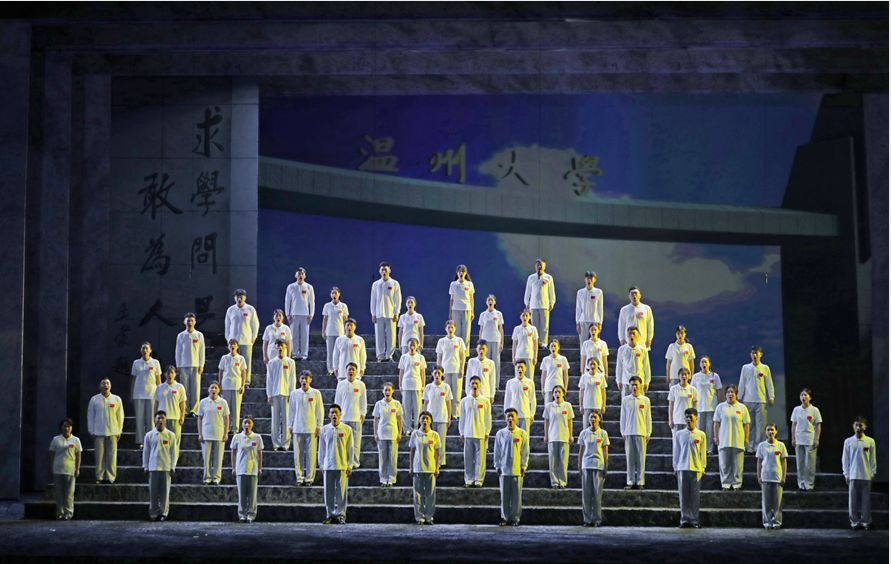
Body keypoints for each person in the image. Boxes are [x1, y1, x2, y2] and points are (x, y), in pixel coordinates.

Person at [319, 404, 354, 524]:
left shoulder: (347, 429)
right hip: (328, 465)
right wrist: (321, 465)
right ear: (329, 415)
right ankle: (329, 514)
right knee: (328, 492)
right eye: (332, 413)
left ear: (340, 414)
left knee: (342, 492)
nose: (334, 415)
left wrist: (350, 464)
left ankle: (341, 514)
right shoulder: (324, 430)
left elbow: (350, 448)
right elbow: (321, 449)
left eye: (336, 413)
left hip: (342, 465)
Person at [494, 408, 529, 526]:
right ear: (505, 418)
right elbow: (497, 451)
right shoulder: (500, 434)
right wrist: (497, 465)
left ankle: (515, 518)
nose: (510, 418)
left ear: (516, 418)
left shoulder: (522, 433)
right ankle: (505, 517)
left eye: (512, 416)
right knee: (504, 495)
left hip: (517, 470)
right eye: (508, 416)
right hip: (504, 470)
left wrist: (524, 465)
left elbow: (525, 452)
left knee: (516, 496)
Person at [289, 370, 324, 486]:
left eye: (306, 378)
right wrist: (290, 425)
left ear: (310, 380)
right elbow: (291, 411)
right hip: (297, 428)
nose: (304, 380)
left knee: (311, 455)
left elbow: (320, 411)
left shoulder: (316, 393)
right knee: (297, 455)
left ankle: (309, 478)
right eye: (302, 378)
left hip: (311, 428)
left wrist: (319, 425)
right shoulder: (294, 394)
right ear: (299, 380)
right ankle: (299, 477)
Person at [673, 408, 707, 528]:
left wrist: (703, 467)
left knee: (695, 496)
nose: (688, 419)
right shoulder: (679, 434)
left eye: (691, 417)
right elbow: (676, 452)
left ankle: (694, 520)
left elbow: (703, 453)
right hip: (682, 468)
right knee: (683, 496)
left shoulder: (701, 434)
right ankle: (684, 519)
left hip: (696, 468)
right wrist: (675, 466)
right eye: (687, 417)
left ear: (696, 418)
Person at [842, 416, 877, 530]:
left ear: (865, 427)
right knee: (852, 501)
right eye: (856, 425)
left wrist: (873, 472)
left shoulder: (870, 441)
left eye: (860, 425)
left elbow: (873, 459)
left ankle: (865, 521)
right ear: (853, 426)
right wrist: (846, 474)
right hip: (853, 475)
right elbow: (845, 459)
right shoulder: (848, 441)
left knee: (866, 500)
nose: (858, 428)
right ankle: (854, 522)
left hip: (866, 475)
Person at [713, 385, 750, 490]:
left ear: (736, 394)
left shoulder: (742, 407)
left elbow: (746, 424)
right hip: (724, 440)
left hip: (738, 440)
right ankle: (726, 484)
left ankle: (737, 484)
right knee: (724, 464)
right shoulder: (720, 407)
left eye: (732, 392)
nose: (730, 394)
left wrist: (746, 438)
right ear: (725, 394)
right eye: (728, 392)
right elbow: (716, 423)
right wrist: (716, 437)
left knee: (738, 464)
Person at [738, 345, 774, 453]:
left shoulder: (765, 368)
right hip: (748, 400)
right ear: (750, 355)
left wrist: (771, 397)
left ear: (760, 354)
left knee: (761, 426)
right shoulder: (745, 368)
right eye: (753, 353)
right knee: (750, 425)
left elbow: (769, 383)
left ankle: (759, 447)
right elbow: (742, 382)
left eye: (756, 353)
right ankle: (750, 446)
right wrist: (739, 396)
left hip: (761, 401)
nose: (754, 355)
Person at [87, 378, 124, 484]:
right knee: (99, 456)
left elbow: (120, 416)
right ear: (99, 386)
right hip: (98, 432)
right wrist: (91, 430)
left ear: (110, 386)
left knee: (112, 456)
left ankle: (110, 477)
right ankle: (99, 477)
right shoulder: (94, 400)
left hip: (113, 432)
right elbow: (90, 415)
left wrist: (119, 430)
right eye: (103, 383)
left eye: (107, 383)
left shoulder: (116, 399)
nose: (105, 385)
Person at [143, 411, 177, 521]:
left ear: (166, 420)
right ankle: (153, 513)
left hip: (166, 467)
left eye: (163, 418)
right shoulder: (149, 435)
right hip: (153, 467)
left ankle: (163, 513)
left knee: (165, 493)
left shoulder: (171, 435)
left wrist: (173, 466)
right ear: (154, 420)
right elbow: (146, 452)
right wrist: (145, 466)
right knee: (153, 493)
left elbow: (174, 453)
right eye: (158, 418)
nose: (160, 420)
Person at [459, 377, 492, 488]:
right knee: (468, 458)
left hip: (481, 433)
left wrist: (487, 431)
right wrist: (461, 432)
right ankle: (468, 479)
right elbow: (462, 418)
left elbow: (488, 418)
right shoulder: (464, 401)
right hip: (468, 433)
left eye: (477, 383)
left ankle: (478, 479)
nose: (475, 385)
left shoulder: (485, 401)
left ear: (480, 385)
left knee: (480, 459)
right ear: (469, 385)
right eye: (473, 383)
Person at [577, 410, 609, 527]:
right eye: (591, 417)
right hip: (586, 465)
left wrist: (605, 466)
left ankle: (596, 519)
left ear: (599, 419)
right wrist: (579, 465)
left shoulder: (603, 433)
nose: (593, 419)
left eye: (595, 417)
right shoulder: (584, 433)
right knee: (586, 495)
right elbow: (581, 451)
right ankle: (587, 519)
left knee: (597, 495)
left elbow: (605, 453)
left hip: (598, 465)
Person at [409, 411, 441, 525]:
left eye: (427, 418)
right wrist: (411, 467)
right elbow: (412, 451)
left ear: (431, 421)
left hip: (430, 468)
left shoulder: (435, 435)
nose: (425, 421)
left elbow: (437, 453)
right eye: (423, 418)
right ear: (419, 420)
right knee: (418, 494)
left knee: (430, 494)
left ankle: (429, 516)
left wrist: (437, 467)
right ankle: (419, 516)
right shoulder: (415, 434)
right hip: (418, 467)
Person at [619, 376, 651, 489]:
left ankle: (640, 481)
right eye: (632, 385)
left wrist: (648, 433)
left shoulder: (645, 400)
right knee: (630, 458)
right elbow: (622, 417)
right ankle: (630, 481)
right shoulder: (625, 400)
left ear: (640, 386)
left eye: (636, 385)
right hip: (628, 432)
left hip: (641, 432)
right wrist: (623, 431)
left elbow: (648, 418)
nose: (634, 387)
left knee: (641, 458)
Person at [230, 415, 263, 523]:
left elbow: (259, 454)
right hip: (240, 469)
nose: (246, 425)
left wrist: (260, 468)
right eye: (245, 422)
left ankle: (251, 514)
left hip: (252, 469)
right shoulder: (237, 437)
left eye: (249, 422)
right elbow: (233, 453)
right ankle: (242, 514)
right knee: (242, 494)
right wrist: (233, 467)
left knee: (252, 494)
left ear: (252, 424)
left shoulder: (257, 437)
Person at [334, 363, 367, 468]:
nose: (351, 371)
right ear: (346, 371)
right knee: (343, 442)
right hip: (343, 418)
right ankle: (343, 462)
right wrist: (337, 415)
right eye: (349, 369)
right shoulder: (340, 384)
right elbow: (337, 401)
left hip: (356, 418)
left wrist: (363, 413)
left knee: (356, 443)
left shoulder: (361, 385)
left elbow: (363, 401)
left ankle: (355, 463)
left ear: (356, 372)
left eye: (353, 370)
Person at [196, 381, 230, 485]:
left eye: (216, 388)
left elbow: (226, 418)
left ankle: (216, 477)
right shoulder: (203, 402)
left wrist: (226, 433)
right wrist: (200, 433)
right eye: (212, 387)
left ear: (219, 390)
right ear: (208, 390)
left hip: (219, 433)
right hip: (206, 433)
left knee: (218, 458)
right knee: (206, 458)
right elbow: (199, 418)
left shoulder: (223, 402)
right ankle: (207, 477)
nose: (213, 390)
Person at [756, 423, 788, 529]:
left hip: (777, 477)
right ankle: (767, 522)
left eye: (772, 430)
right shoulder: (761, 446)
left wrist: (784, 477)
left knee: (777, 502)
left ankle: (777, 522)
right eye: (768, 430)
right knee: (766, 502)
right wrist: (758, 476)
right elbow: (759, 462)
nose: (771, 432)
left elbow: (784, 462)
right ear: (766, 432)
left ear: (776, 431)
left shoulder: (781, 445)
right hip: (765, 476)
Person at [48, 418, 81, 520]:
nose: (66, 428)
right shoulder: (56, 439)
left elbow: (78, 455)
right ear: (61, 427)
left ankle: (68, 513)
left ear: (71, 428)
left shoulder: (76, 440)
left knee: (69, 493)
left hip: (70, 470)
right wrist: (51, 466)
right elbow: (52, 454)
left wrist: (77, 468)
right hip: (58, 469)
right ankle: (60, 513)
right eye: (64, 426)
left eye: (69, 426)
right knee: (59, 493)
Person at [266, 340, 296, 451]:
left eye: (282, 346)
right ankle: (276, 443)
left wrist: (292, 395)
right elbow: (269, 380)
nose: (280, 348)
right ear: (275, 348)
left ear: (286, 347)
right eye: (278, 346)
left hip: (287, 394)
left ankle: (285, 444)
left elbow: (292, 379)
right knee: (275, 420)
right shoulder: (271, 362)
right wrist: (269, 394)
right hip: (274, 394)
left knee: (287, 419)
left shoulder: (290, 362)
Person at [790, 388, 822, 491]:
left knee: (810, 464)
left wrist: (816, 439)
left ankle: (809, 484)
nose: (803, 397)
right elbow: (794, 425)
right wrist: (793, 438)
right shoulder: (796, 409)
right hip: (799, 439)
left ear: (810, 397)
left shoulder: (815, 410)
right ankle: (801, 483)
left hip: (810, 439)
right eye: (801, 395)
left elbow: (818, 426)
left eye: (805, 395)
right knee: (800, 463)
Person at [543, 385, 574, 489]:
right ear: (552, 394)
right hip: (552, 436)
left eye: (559, 392)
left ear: (563, 393)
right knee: (553, 461)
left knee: (563, 461)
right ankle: (554, 482)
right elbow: (546, 421)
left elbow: (570, 421)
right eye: (555, 392)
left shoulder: (567, 406)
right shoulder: (549, 406)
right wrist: (546, 435)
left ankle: (563, 481)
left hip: (564, 436)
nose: (557, 394)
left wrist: (570, 435)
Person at [131, 342, 161, 450]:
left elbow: (158, 380)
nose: (145, 350)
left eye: (147, 348)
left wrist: (160, 395)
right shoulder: (136, 363)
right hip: (138, 394)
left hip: (152, 394)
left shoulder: (155, 362)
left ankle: (150, 441)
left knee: (151, 419)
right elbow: (133, 380)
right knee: (139, 419)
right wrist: (131, 394)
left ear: (150, 350)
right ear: (140, 350)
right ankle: (140, 441)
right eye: (143, 348)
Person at [372, 383, 404, 487]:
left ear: (393, 391)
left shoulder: (397, 404)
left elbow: (399, 419)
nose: (387, 392)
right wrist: (375, 433)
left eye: (389, 390)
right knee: (383, 458)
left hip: (393, 434)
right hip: (382, 433)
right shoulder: (379, 404)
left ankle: (391, 478)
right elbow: (376, 419)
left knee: (392, 458)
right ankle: (383, 478)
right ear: (383, 391)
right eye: (385, 390)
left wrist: (400, 432)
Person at [152, 366, 186, 462]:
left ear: (175, 374)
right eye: (168, 373)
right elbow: (156, 403)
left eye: (172, 373)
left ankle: (174, 462)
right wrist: (155, 417)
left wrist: (182, 416)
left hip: (175, 418)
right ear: (164, 374)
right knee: (162, 441)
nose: (170, 375)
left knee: (175, 441)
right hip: (162, 419)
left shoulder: (180, 387)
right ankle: (163, 461)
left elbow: (182, 403)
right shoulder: (160, 387)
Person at [370, 261, 402, 362]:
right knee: (379, 335)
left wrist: (396, 312)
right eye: (382, 270)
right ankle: (380, 355)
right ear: (379, 271)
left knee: (391, 336)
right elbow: (373, 300)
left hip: (391, 314)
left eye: (386, 270)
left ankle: (389, 355)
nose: (384, 272)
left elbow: (398, 299)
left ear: (389, 270)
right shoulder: (376, 284)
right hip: (379, 313)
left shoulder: (395, 284)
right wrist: (373, 313)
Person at [225, 289, 259, 382]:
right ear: (234, 298)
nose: (239, 299)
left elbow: (255, 324)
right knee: (234, 362)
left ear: (245, 298)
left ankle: (246, 382)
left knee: (246, 362)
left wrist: (254, 337)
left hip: (246, 340)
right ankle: (235, 381)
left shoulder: (250, 309)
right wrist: (228, 338)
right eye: (237, 297)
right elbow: (227, 326)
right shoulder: (231, 310)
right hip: (233, 341)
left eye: (241, 297)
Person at [690, 356, 722, 454]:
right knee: (699, 430)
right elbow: (692, 392)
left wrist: (719, 406)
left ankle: (709, 449)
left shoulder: (714, 376)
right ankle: (700, 449)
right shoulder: (695, 377)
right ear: (700, 364)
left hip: (711, 407)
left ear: (709, 364)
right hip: (699, 408)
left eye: (706, 362)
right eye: (702, 362)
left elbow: (718, 391)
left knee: (709, 430)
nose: (704, 364)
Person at [174, 312, 205, 415]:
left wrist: (201, 364)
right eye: (188, 320)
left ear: (195, 322)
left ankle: (194, 410)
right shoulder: (181, 336)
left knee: (195, 389)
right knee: (184, 389)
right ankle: (185, 410)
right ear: (184, 322)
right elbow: (178, 351)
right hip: (183, 366)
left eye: (191, 320)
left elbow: (202, 351)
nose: (190, 322)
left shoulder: (199, 335)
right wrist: (178, 365)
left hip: (196, 365)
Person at [421, 366, 453, 466]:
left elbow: (448, 403)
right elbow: (425, 403)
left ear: (442, 374)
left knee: (441, 441)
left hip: (442, 418)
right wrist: (423, 417)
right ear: (432, 374)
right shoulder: (428, 387)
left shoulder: (446, 387)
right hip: (430, 419)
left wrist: (449, 417)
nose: (437, 375)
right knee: (430, 441)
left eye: (439, 373)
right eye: (435, 373)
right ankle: (430, 460)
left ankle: (440, 462)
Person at [435, 320, 467, 418]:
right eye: (448, 327)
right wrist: (438, 371)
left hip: (456, 370)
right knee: (446, 393)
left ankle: (456, 413)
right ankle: (446, 413)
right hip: (445, 370)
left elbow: (462, 356)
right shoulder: (441, 341)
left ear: (455, 329)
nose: (450, 329)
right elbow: (439, 356)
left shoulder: (459, 341)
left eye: (452, 327)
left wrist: (462, 369)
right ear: (445, 329)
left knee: (456, 393)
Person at [284, 268, 315, 361]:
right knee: (294, 335)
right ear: (296, 275)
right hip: (293, 314)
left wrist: (311, 314)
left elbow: (312, 302)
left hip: (305, 315)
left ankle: (304, 354)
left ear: (305, 276)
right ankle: (294, 353)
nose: (300, 275)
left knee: (305, 335)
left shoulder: (309, 287)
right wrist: (287, 314)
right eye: (299, 274)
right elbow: (287, 301)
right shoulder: (291, 287)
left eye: (302, 274)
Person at [523, 258, 555, 346]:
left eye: (541, 264)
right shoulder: (531, 278)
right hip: (533, 305)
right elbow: (528, 291)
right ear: (535, 266)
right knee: (534, 326)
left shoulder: (548, 277)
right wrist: (527, 303)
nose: (539, 266)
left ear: (544, 266)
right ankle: (535, 343)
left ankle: (543, 343)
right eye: (538, 265)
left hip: (544, 305)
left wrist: (552, 302)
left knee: (544, 326)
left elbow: (551, 291)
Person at [218, 339, 247, 436]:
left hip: (237, 386)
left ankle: (235, 428)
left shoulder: (241, 358)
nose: (232, 346)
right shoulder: (224, 358)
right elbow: (221, 371)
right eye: (230, 344)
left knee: (236, 409)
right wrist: (220, 385)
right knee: (225, 409)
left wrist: (243, 385)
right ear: (228, 347)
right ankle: (225, 428)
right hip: (226, 385)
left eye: (234, 344)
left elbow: (243, 372)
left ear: (237, 346)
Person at [398, 337, 427, 429]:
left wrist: (423, 385)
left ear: (417, 346)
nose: (412, 347)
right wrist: (400, 384)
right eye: (410, 345)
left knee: (417, 408)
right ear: (408, 346)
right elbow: (401, 372)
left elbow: (422, 373)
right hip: (406, 385)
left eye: (414, 345)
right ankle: (407, 428)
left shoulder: (420, 357)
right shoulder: (404, 357)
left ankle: (417, 427)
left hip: (417, 385)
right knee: (406, 408)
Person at [477, 294, 505, 391]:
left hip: (496, 340)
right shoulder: (483, 315)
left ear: (494, 302)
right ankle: (485, 384)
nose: (490, 301)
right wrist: (480, 343)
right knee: (485, 363)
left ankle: (496, 385)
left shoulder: (498, 314)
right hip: (485, 341)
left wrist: (502, 342)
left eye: (492, 300)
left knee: (496, 363)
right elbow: (481, 329)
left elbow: (501, 329)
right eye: (488, 300)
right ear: (486, 302)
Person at [503, 360, 537, 436]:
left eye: (522, 367)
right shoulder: (510, 382)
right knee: (513, 437)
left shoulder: (530, 382)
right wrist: (506, 414)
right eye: (518, 367)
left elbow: (533, 400)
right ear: (515, 368)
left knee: (525, 437)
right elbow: (507, 400)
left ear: (525, 369)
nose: (520, 369)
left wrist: (532, 414)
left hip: (525, 415)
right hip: (513, 415)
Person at [321, 287, 349, 375]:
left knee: (339, 352)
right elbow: (325, 319)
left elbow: (345, 320)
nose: (334, 295)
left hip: (340, 332)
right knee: (330, 352)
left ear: (339, 294)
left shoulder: (343, 306)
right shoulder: (327, 306)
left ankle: (339, 368)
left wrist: (346, 332)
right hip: (329, 332)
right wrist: (323, 331)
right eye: (332, 293)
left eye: (335, 293)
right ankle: (330, 370)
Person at [615, 326, 651, 395]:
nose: (632, 336)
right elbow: (619, 366)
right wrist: (618, 380)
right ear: (627, 335)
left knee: (640, 400)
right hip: (626, 381)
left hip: (639, 382)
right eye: (630, 333)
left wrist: (647, 382)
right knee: (626, 401)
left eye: (634, 333)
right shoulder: (622, 349)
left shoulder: (643, 350)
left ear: (638, 335)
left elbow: (646, 367)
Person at [449, 265, 475, 348]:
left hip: (467, 309)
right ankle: (457, 351)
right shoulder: (453, 284)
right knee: (457, 332)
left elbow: (471, 299)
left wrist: (472, 312)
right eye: (459, 271)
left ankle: (465, 353)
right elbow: (451, 299)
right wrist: (450, 313)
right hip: (456, 309)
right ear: (457, 273)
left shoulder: (469, 284)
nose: (461, 273)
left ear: (465, 273)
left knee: (466, 333)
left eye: (463, 271)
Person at [575, 271, 603, 346]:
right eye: (587, 278)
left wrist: (600, 322)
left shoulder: (598, 292)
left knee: (595, 343)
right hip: (583, 321)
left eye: (591, 278)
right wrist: (577, 323)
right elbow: (578, 308)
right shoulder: (580, 292)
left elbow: (600, 308)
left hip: (594, 321)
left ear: (594, 280)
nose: (589, 280)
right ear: (585, 280)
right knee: (583, 343)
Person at [667, 368, 698, 433]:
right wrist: (670, 420)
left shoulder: (693, 389)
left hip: (689, 420)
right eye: (682, 374)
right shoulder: (673, 389)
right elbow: (671, 406)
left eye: (686, 374)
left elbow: (695, 407)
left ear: (689, 376)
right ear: (679, 376)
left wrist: (695, 420)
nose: (684, 376)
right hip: (677, 420)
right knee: (676, 439)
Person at [511, 309, 539, 379]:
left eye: (526, 315)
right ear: (520, 317)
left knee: (530, 378)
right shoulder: (517, 329)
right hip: (519, 356)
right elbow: (514, 345)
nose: (525, 317)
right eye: (523, 315)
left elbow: (535, 345)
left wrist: (535, 357)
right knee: (518, 378)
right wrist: (513, 357)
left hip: (529, 356)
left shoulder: (533, 329)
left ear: (529, 317)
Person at [539, 338, 569, 403]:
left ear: (558, 347)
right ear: (549, 348)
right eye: (551, 346)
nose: (553, 348)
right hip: (548, 386)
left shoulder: (563, 359)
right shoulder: (545, 359)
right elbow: (543, 375)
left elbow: (565, 375)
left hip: (559, 386)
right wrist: (542, 387)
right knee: (548, 406)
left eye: (555, 346)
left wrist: (565, 387)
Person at [578, 357, 606, 424]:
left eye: (594, 364)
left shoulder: (601, 377)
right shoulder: (584, 377)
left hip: (598, 405)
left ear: (597, 365)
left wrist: (603, 406)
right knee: (586, 425)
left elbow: (603, 393)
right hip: (587, 405)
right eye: (591, 364)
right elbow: (581, 392)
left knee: (597, 426)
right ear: (588, 365)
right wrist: (581, 405)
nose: (592, 366)